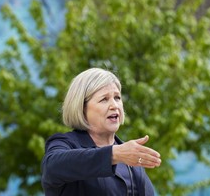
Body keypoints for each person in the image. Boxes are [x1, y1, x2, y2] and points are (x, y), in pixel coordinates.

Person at [41, 68, 161, 196]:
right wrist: (113, 154)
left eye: (117, 97)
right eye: (104, 99)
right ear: (82, 108)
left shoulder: (131, 157)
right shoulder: (66, 144)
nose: (114, 105)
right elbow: (52, 168)